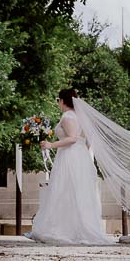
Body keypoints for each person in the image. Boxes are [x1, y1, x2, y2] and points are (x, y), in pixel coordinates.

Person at [27, 88, 116, 245]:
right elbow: (87, 140)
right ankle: (73, 228)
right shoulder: (80, 117)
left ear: (62, 101)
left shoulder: (68, 116)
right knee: (74, 192)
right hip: (78, 156)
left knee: (64, 190)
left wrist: (50, 145)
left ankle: (62, 230)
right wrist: (82, 157)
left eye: (58, 101)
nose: (58, 104)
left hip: (70, 155)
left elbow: (73, 138)